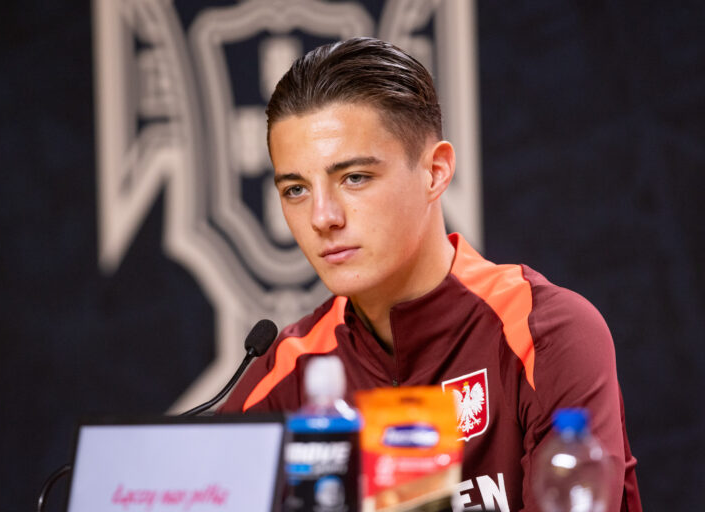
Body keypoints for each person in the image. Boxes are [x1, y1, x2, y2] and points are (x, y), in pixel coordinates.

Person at [219, 37, 641, 511]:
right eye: (295, 189)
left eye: (354, 177)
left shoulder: (546, 333)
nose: (323, 217)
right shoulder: (286, 372)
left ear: (436, 171)